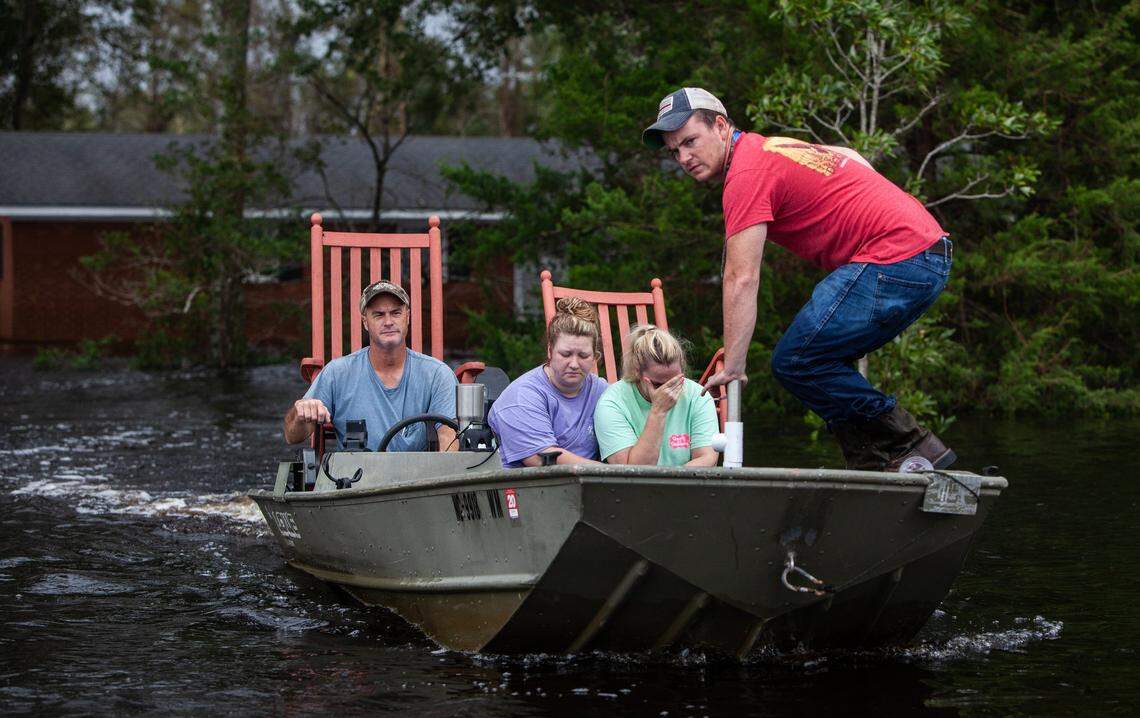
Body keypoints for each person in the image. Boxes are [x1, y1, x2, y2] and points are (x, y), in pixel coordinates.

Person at [642, 87, 956, 471]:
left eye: (690, 141)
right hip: (928, 254)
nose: (684, 158)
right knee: (822, 361)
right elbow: (850, 156)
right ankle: (873, 460)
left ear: (721, 126)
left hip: (898, 257)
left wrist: (735, 366)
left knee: (796, 360)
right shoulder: (772, 147)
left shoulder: (746, 174)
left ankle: (911, 442)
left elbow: (741, 277)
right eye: (675, 151)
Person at [284, 280, 458, 452]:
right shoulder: (337, 373)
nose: (388, 321)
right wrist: (300, 415)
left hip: (418, 476)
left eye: (396, 313)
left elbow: (448, 438)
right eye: (379, 314)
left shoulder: (437, 375)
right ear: (365, 322)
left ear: (408, 317)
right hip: (354, 477)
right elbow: (292, 436)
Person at [488, 297, 609, 467]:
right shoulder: (522, 396)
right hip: (531, 488)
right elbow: (542, 460)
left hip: (592, 487)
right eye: (565, 354)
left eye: (583, 356)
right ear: (550, 351)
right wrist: (611, 473)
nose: (574, 364)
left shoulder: (604, 393)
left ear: (595, 357)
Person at [594, 325, 719, 467]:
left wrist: (672, 483)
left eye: (676, 381)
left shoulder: (698, 396)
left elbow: (708, 458)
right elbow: (630, 475)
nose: (668, 391)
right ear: (637, 372)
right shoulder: (612, 403)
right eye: (658, 385)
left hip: (685, 486)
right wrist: (658, 411)